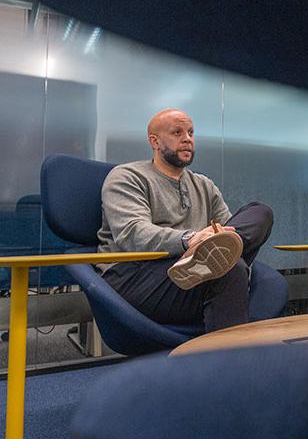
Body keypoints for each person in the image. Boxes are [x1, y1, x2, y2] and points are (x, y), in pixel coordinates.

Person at [96, 108, 274, 332]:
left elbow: (228, 232)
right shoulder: (127, 176)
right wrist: (191, 240)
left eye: (191, 132)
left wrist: (219, 240)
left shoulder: (203, 184)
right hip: (136, 274)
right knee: (230, 269)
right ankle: (229, 363)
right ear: (155, 141)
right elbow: (133, 234)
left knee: (260, 212)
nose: (187, 139)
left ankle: (204, 260)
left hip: (194, 273)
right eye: (177, 133)